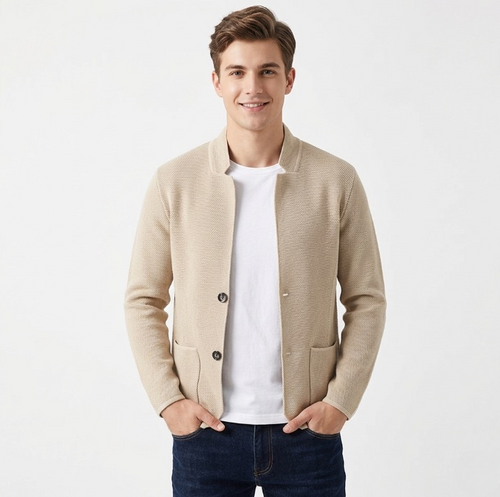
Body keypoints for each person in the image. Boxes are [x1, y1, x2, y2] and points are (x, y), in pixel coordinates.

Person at [125, 5, 386, 496]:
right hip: (206, 434)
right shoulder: (174, 182)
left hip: (307, 434)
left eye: (267, 71)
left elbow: (367, 298)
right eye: (237, 72)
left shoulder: (336, 181)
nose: (252, 87)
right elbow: (143, 298)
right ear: (217, 82)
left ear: (289, 79)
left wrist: (340, 401)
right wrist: (168, 401)